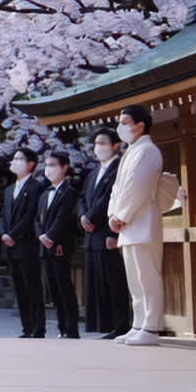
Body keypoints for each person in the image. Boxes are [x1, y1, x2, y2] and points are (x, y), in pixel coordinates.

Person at [109, 104, 165, 347]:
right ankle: (138, 323)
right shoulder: (131, 151)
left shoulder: (148, 150)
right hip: (128, 224)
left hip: (142, 221)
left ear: (140, 124)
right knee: (134, 277)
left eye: (125, 122)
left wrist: (123, 214)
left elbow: (138, 186)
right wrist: (113, 214)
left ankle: (151, 327)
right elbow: (118, 188)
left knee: (147, 276)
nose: (121, 127)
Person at [79, 127, 131, 339]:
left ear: (116, 145)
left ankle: (121, 325)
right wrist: (83, 216)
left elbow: (110, 199)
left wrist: (90, 217)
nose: (98, 148)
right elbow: (82, 197)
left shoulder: (119, 168)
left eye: (103, 143)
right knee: (97, 283)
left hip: (107, 231)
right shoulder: (94, 171)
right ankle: (105, 324)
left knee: (114, 281)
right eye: (97, 144)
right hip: (91, 234)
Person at [0, 148, 46, 338]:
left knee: (32, 287)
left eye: (20, 159)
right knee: (19, 288)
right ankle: (26, 327)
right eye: (14, 158)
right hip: (10, 245)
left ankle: (38, 328)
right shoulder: (10, 189)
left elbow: (30, 216)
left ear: (31, 164)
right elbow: (3, 215)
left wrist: (14, 234)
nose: (14, 161)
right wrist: (3, 233)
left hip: (27, 244)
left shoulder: (36, 187)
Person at [37, 151, 80, 339]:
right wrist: (41, 235)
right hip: (44, 245)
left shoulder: (69, 191)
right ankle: (61, 327)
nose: (49, 169)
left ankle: (70, 328)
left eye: (53, 165)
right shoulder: (45, 192)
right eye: (47, 165)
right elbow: (37, 218)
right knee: (54, 288)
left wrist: (51, 236)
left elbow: (64, 217)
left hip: (60, 244)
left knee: (64, 287)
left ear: (64, 167)